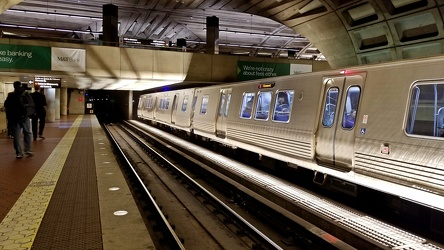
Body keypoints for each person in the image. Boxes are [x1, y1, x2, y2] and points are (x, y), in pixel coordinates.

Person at [4, 81, 34, 158]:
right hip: (25, 117)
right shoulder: (26, 94)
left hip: (14, 118)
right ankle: (28, 149)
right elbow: (31, 105)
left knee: (16, 136)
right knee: (27, 133)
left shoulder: (11, 95)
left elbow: (6, 105)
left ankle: (19, 152)